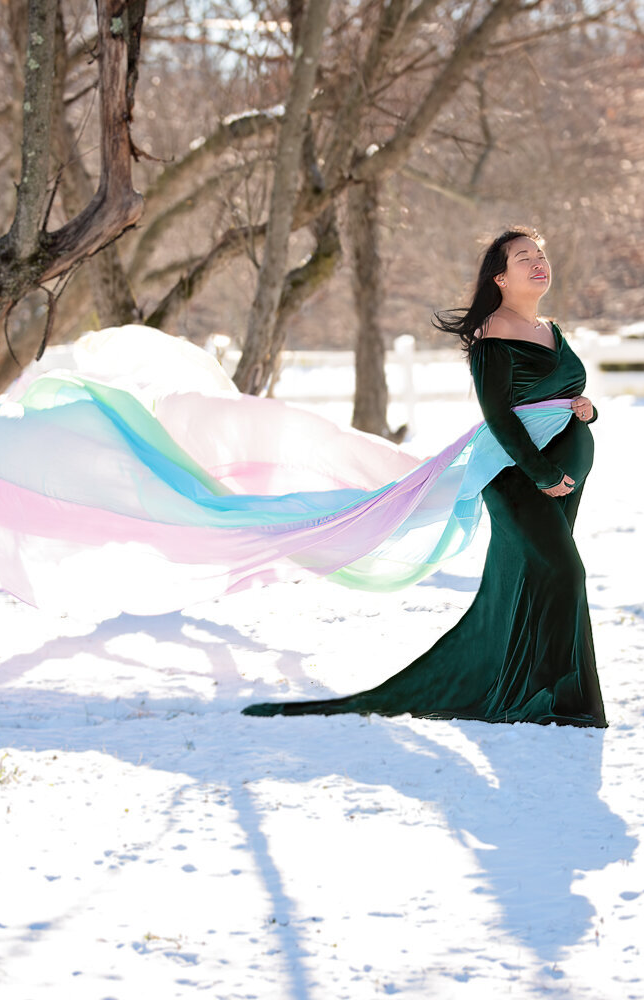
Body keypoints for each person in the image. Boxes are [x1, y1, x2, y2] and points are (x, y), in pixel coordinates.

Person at [243, 227, 606, 727]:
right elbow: (500, 416)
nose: (539, 262)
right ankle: (557, 699)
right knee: (566, 572)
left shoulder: (551, 328)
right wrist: (543, 474)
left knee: (537, 577)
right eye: (525, 258)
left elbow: (561, 396)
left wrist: (585, 411)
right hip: (518, 475)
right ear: (500, 278)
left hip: (561, 474)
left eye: (541, 254)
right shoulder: (493, 334)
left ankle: (535, 693)